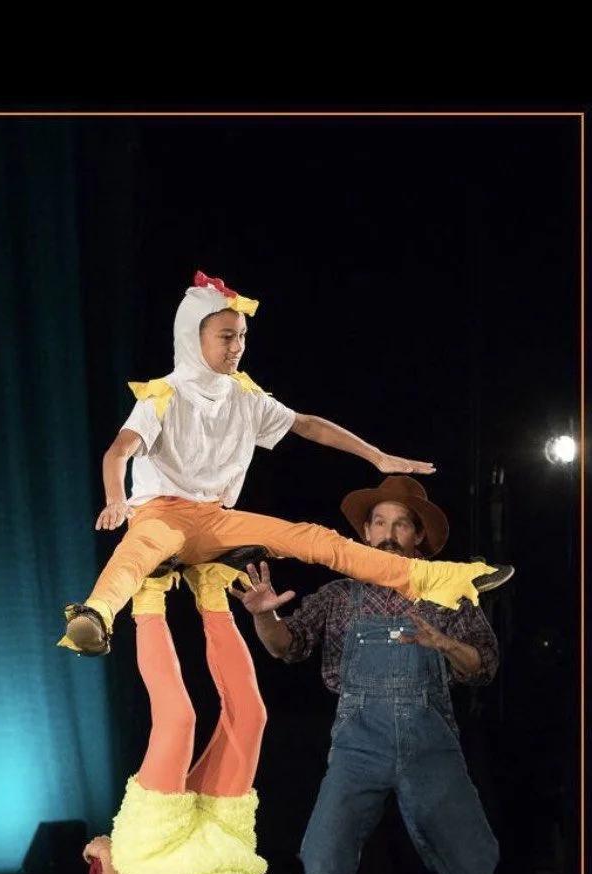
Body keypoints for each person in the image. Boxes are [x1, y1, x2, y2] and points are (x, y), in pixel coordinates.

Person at [58, 270, 512, 659]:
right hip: (162, 515)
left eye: (242, 337)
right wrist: (116, 499)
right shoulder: (164, 395)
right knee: (137, 551)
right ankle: (95, 615)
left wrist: (376, 456)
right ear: (191, 338)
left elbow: (309, 426)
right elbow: (117, 451)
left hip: (216, 521)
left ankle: (437, 576)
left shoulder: (245, 397)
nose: (237, 347)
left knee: (312, 538)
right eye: (225, 336)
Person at [231, 475, 507, 874]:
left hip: (431, 747)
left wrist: (444, 641)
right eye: (378, 522)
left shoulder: (447, 592)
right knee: (322, 865)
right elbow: (289, 647)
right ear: (364, 533)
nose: (387, 533)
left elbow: (485, 667)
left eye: (400, 523)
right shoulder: (338, 596)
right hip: (360, 743)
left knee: (474, 871)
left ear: (419, 539)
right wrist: (265, 614)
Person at [81, 558, 359, 874]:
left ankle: (148, 595)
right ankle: (210, 592)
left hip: (160, 858)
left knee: (178, 721)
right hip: (224, 846)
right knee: (251, 718)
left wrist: (109, 856)